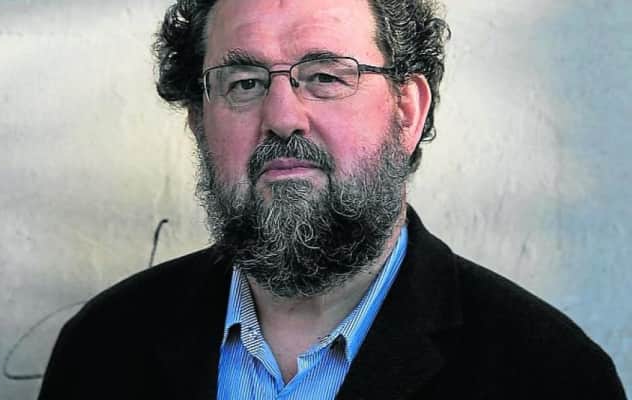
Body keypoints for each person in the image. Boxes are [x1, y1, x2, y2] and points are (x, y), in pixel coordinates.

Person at [38, 0, 626, 398]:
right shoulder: (101, 349)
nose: (282, 117)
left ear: (406, 111)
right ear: (198, 122)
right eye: (244, 83)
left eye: (325, 76)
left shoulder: (550, 375)